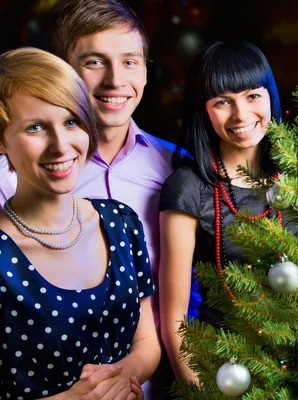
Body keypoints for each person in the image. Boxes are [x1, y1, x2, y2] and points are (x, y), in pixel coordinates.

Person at [0, 0, 175, 396]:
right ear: (61, 72)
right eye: (95, 62)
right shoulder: (10, 179)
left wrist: (125, 377)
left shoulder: (179, 168)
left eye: (130, 61)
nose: (116, 80)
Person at [158, 41, 282, 383]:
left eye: (252, 96)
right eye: (222, 102)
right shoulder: (188, 188)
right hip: (222, 370)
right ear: (203, 110)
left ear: (270, 95)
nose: (241, 115)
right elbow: (175, 321)